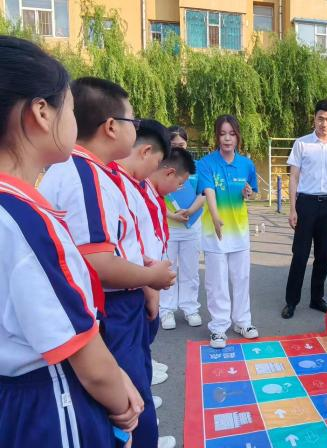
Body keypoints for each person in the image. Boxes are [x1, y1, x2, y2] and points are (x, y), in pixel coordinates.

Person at [0, 36, 142, 447]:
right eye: (71, 108)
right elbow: (86, 358)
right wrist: (123, 404)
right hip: (47, 398)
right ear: (41, 113)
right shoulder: (26, 219)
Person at [39, 77, 176, 448]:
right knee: (128, 404)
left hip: (120, 304)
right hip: (111, 310)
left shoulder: (96, 172)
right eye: (133, 120)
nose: (136, 128)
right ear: (112, 126)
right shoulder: (85, 175)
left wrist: (144, 280)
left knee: (133, 394)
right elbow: (96, 261)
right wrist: (150, 277)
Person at [114, 119, 178, 447]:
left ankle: (144, 425)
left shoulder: (126, 182)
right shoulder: (106, 179)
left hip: (136, 289)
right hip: (121, 297)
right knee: (129, 384)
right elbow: (102, 255)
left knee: (138, 373)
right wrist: (149, 281)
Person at [282, 99, 327, 319]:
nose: (324, 123)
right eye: (320, 118)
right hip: (306, 204)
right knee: (300, 255)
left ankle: (317, 298)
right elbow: (293, 177)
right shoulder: (302, 144)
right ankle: (291, 301)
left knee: (323, 255)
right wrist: (292, 209)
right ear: (314, 119)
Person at [197, 115, 259, 349]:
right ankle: (218, 327)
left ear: (237, 136)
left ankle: (242, 322)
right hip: (215, 233)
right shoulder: (206, 164)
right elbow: (209, 191)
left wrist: (247, 193)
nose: (227, 139)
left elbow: (251, 192)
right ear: (217, 136)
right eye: (222, 134)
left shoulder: (246, 164)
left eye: (231, 134)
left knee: (241, 278)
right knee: (217, 282)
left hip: (239, 232)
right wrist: (215, 217)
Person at [159, 126, 204, 330]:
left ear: (187, 145)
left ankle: (190, 308)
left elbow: (203, 193)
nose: (178, 149)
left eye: (182, 145)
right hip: (168, 228)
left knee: (190, 270)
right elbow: (154, 196)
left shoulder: (196, 167)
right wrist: (172, 215)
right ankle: (166, 310)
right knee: (168, 269)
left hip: (191, 227)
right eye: (174, 145)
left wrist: (190, 211)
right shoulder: (159, 166)